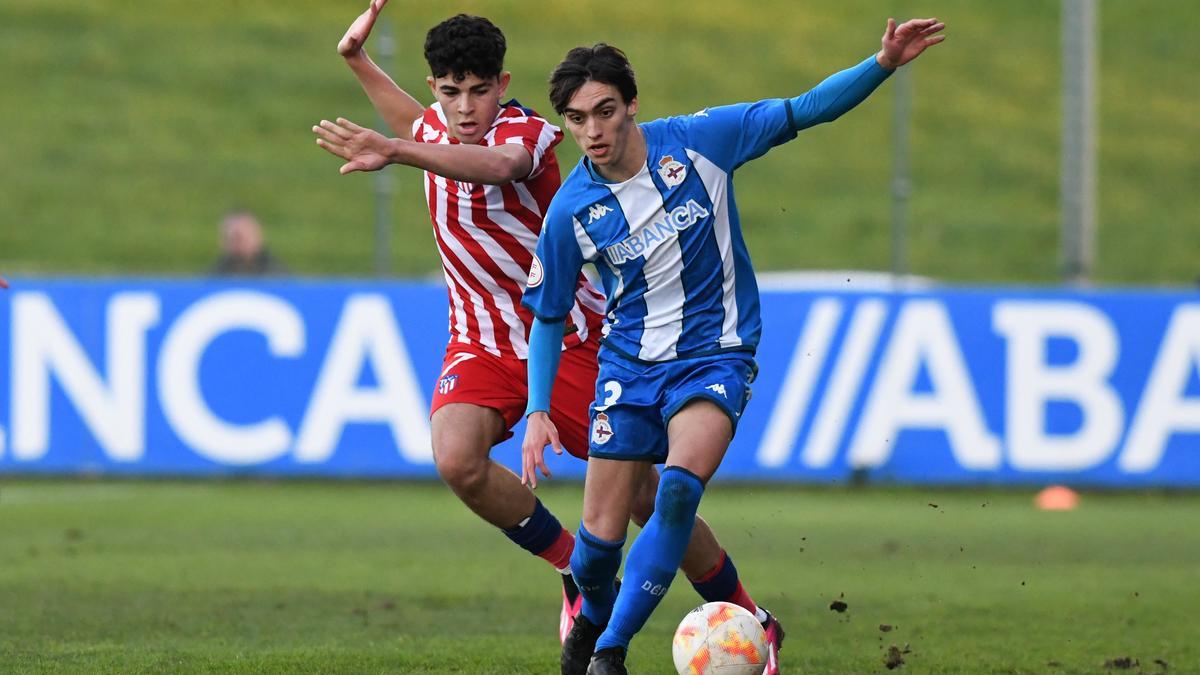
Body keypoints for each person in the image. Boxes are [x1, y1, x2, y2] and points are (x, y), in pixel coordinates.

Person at [312, 1, 782, 662]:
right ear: (435, 91)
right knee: (455, 455)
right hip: (477, 340)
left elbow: (498, 166)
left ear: (502, 85)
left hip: (566, 341)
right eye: (451, 93)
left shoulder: (529, 134)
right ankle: (574, 571)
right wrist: (356, 60)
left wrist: (395, 150)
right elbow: (409, 122)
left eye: (480, 91)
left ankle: (750, 613)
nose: (466, 107)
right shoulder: (428, 126)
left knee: (647, 495)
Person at [521, 17, 946, 674]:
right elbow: (548, 315)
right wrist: (538, 408)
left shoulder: (700, 142)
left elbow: (804, 110)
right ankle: (608, 620)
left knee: (678, 491)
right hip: (628, 368)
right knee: (599, 545)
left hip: (716, 353)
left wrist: (882, 63)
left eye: (605, 111)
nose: (593, 131)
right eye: (577, 119)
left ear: (632, 104)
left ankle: (608, 651)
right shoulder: (571, 210)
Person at [209, 210, 287, 276]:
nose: (236, 243)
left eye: (240, 238)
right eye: (230, 238)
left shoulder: (279, 278)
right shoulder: (211, 279)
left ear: (258, 236)